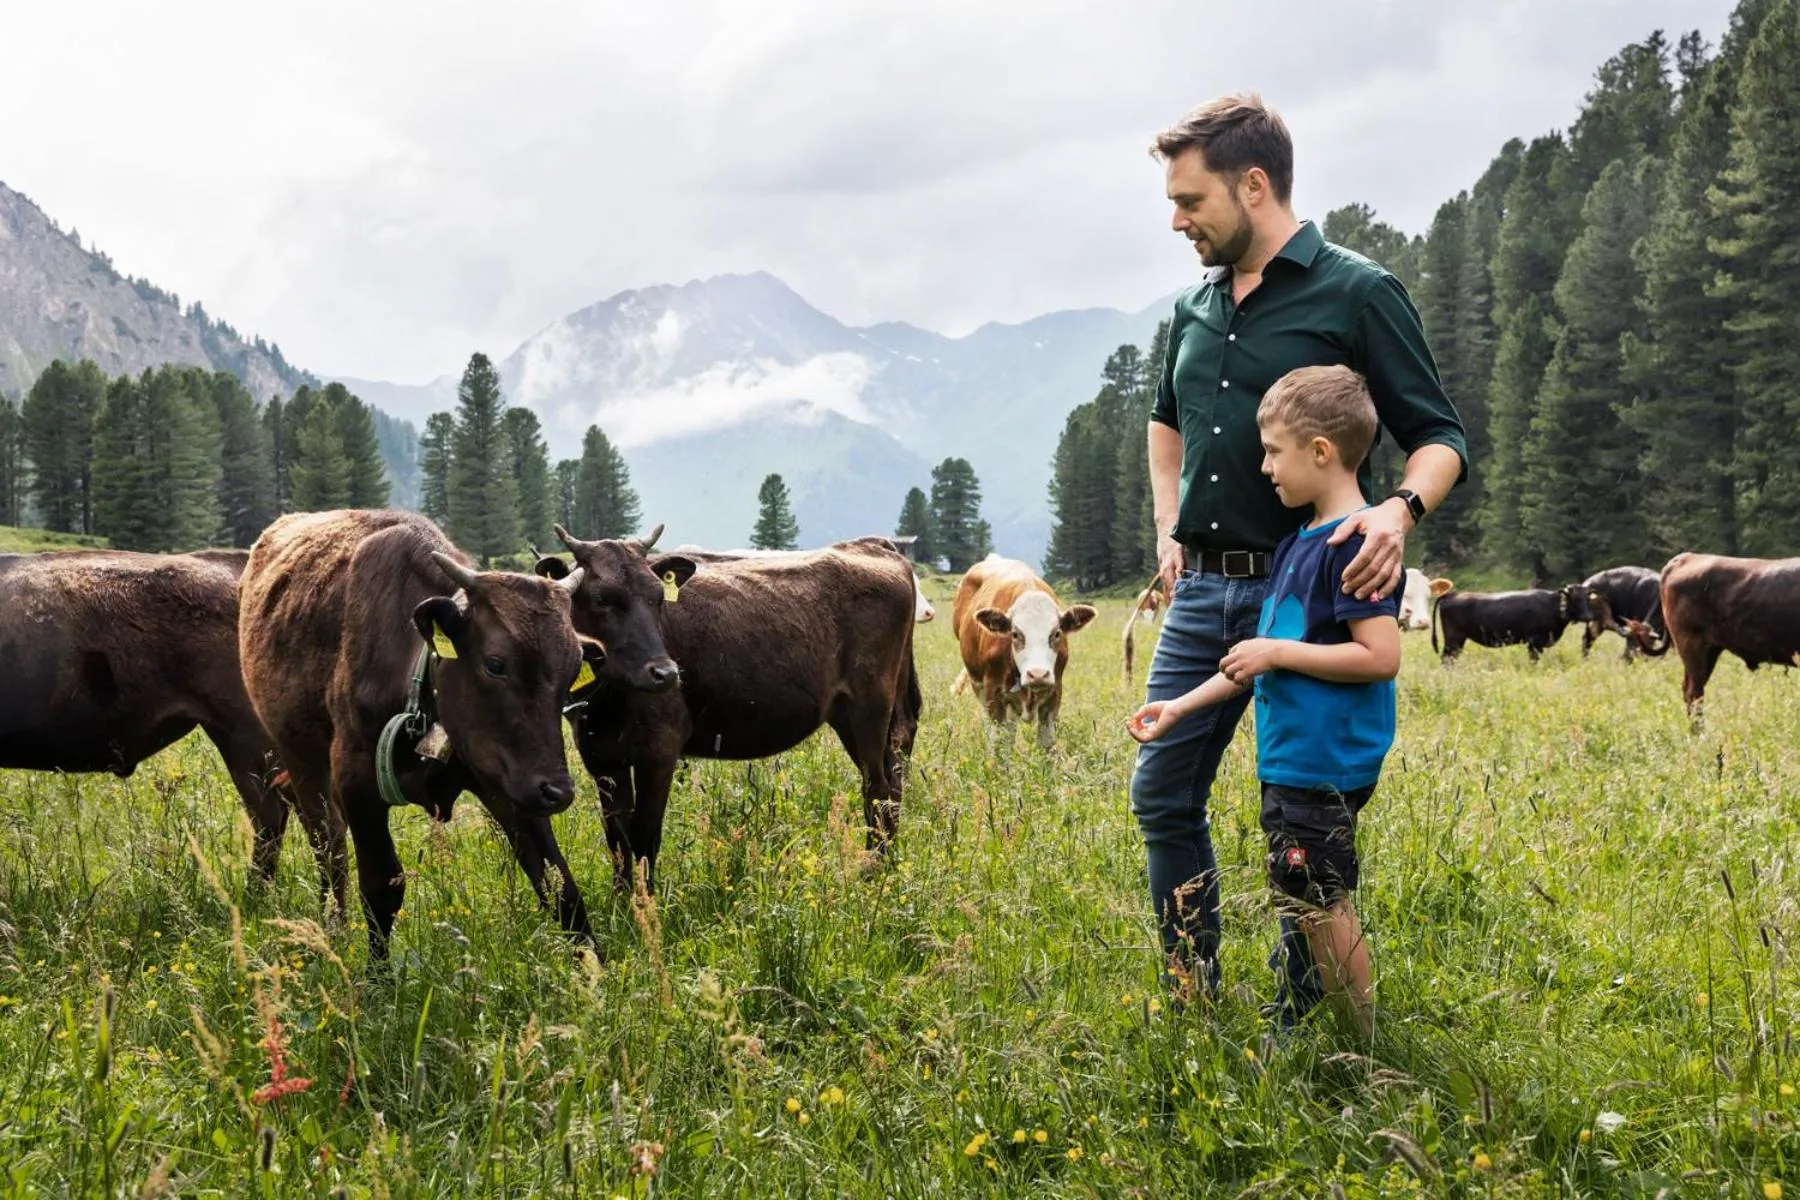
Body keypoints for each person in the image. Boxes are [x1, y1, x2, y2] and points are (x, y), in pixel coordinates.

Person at [1131, 93, 1465, 1006]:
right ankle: (1192, 990)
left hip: (1310, 600)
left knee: (1298, 815)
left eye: (1191, 200)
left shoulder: (1358, 291)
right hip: (1201, 594)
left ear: (1254, 184)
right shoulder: (1193, 307)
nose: (1176, 219)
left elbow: (1439, 437)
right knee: (1162, 792)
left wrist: (1397, 513)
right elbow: (1166, 426)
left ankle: (1302, 1016)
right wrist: (1167, 528)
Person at [1131, 364, 1399, 1035]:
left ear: (1321, 452)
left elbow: (1380, 656)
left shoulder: (1355, 544)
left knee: (1322, 903)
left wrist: (1277, 652)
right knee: (1304, 895)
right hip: (1292, 764)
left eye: (1274, 451)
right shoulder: (1294, 546)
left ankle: (1360, 1045)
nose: (1264, 466)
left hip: (1324, 764)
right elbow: (1251, 661)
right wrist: (1181, 708)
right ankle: (1318, 1029)